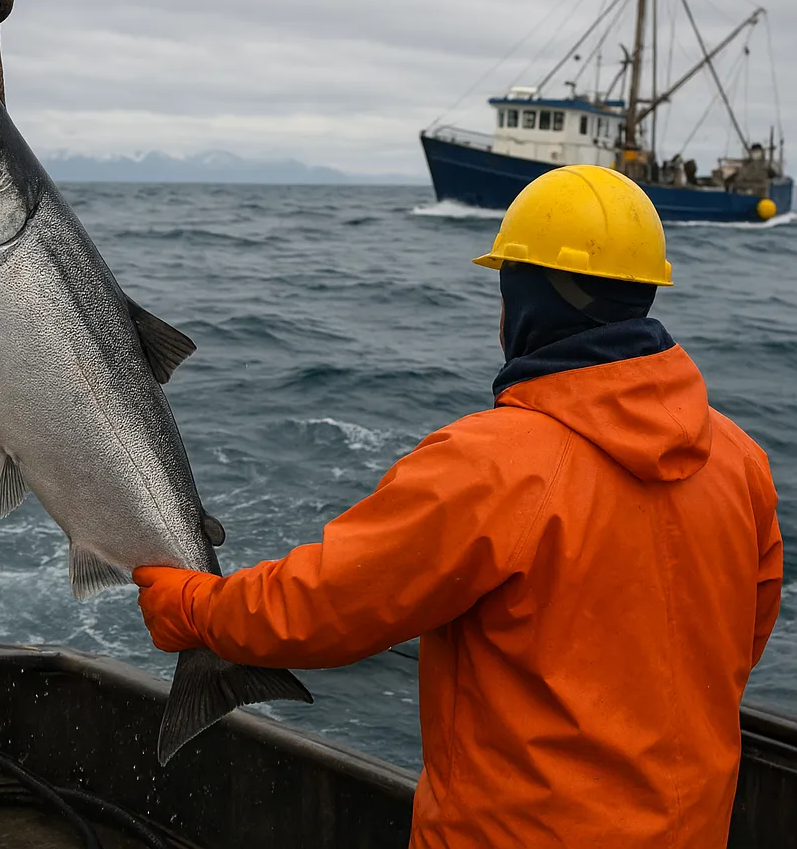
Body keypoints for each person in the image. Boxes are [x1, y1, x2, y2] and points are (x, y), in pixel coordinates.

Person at [135, 164, 783, 848]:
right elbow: (744, 635)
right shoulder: (741, 460)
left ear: (530, 302)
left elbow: (327, 606)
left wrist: (196, 608)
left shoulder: (496, 464)